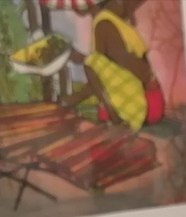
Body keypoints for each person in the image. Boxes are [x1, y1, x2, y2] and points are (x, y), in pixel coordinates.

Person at [63, 0, 164, 131]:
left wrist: (72, 99)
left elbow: (131, 69)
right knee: (91, 64)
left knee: (90, 65)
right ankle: (113, 116)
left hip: (144, 105)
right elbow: (111, 68)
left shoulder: (104, 24)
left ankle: (115, 119)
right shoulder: (106, 19)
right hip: (143, 99)